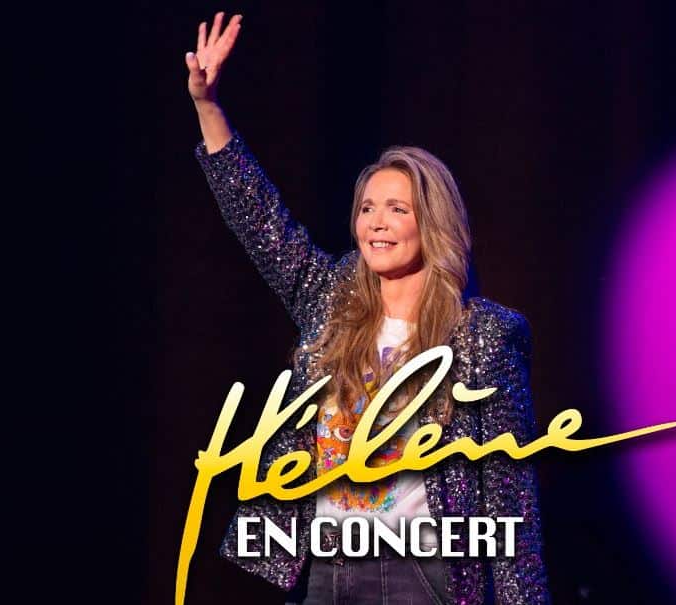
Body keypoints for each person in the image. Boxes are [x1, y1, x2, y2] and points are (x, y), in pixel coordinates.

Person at [185, 12, 550, 605]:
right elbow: (259, 218)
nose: (377, 222)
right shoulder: (331, 300)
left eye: (397, 209)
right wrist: (208, 107)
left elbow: (513, 501)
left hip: (424, 576)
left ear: (433, 224)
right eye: (367, 208)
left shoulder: (484, 336)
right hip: (325, 571)